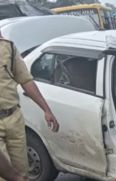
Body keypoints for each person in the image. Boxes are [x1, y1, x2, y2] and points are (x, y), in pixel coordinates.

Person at [0, 33, 59, 180]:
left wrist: (46, 110)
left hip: (13, 117)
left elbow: (26, 81)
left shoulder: (8, 47)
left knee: (22, 172)